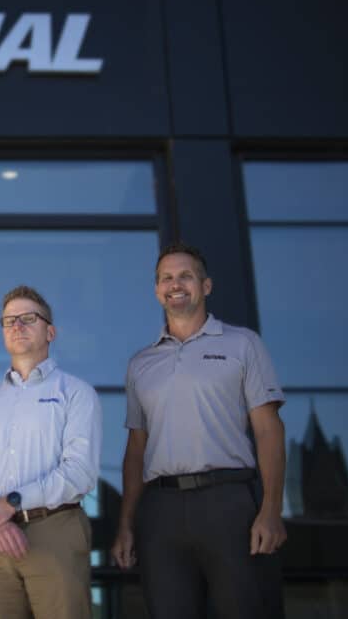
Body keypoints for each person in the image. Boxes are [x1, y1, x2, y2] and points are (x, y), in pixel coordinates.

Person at [111, 242, 287, 619]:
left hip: (228, 503)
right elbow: (135, 450)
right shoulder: (141, 364)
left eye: (185, 276)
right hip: (161, 511)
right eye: (166, 278)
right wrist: (126, 524)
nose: (176, 285)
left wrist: (271, 510)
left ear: (206, 286)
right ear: (157, 291)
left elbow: (269, 431)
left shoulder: (243, 344)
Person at [0, 285, 101, 619]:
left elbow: (79, 471)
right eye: (9, 321)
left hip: (55, 530)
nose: (17, 326)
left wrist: (9, 504)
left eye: (28, 318)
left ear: (50, 331)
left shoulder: (76, 393)